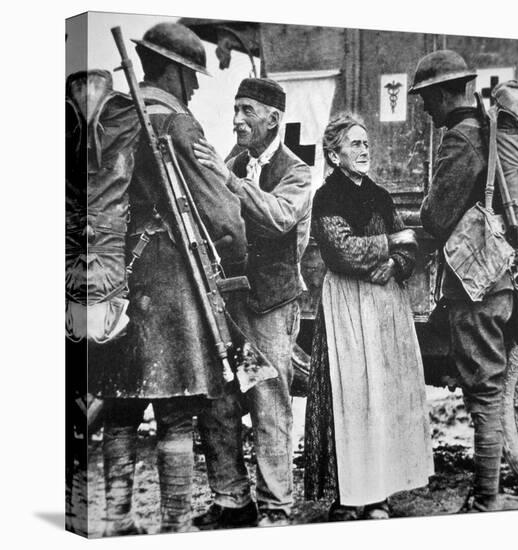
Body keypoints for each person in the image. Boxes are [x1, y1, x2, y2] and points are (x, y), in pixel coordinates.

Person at [88, 22, 248, 535]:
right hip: (171, 279)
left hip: (116, 277)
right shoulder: (178, 125)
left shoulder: (114, 115)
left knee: (119, 411)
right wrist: (236, 258)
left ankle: (116, 521)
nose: (197, 87)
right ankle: (177, 524)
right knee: (177, 413)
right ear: (176, 71)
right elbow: (223, 215)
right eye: (193, 76)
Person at [193, 77, 312, 528]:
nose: (237, 119)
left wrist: (227, 181)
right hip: (231, 307)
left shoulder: (297, 171)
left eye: (246, 110)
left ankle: (277, 507)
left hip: (271, 308)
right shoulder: (232, 160)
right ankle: (232, 499)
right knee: (220, 401)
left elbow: (281, 218)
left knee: (269, 401)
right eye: (235, 109)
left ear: (272, 120)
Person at [302, 113, 433, 520]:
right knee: (350, 396)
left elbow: (410, 247)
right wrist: (392, 243)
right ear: (333, 153)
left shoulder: (380, 195)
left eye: (366, 143)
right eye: (355, 144)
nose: (364, 150)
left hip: (384, 305)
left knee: (384, 395)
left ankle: (378, 495)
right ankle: (349, 496)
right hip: (347, 306)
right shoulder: (326, 197)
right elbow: (342, 251)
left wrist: (395, 264)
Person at [409, 50, 514, 512]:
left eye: (427, 98)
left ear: (445, 93)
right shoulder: (486, 129)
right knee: (485, 387)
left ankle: (486, 498)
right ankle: (485, 493)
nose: (425, 109)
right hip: (495, 281)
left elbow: (435, 214)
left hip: (475, 287)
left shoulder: (461, 139)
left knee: (485, 390)